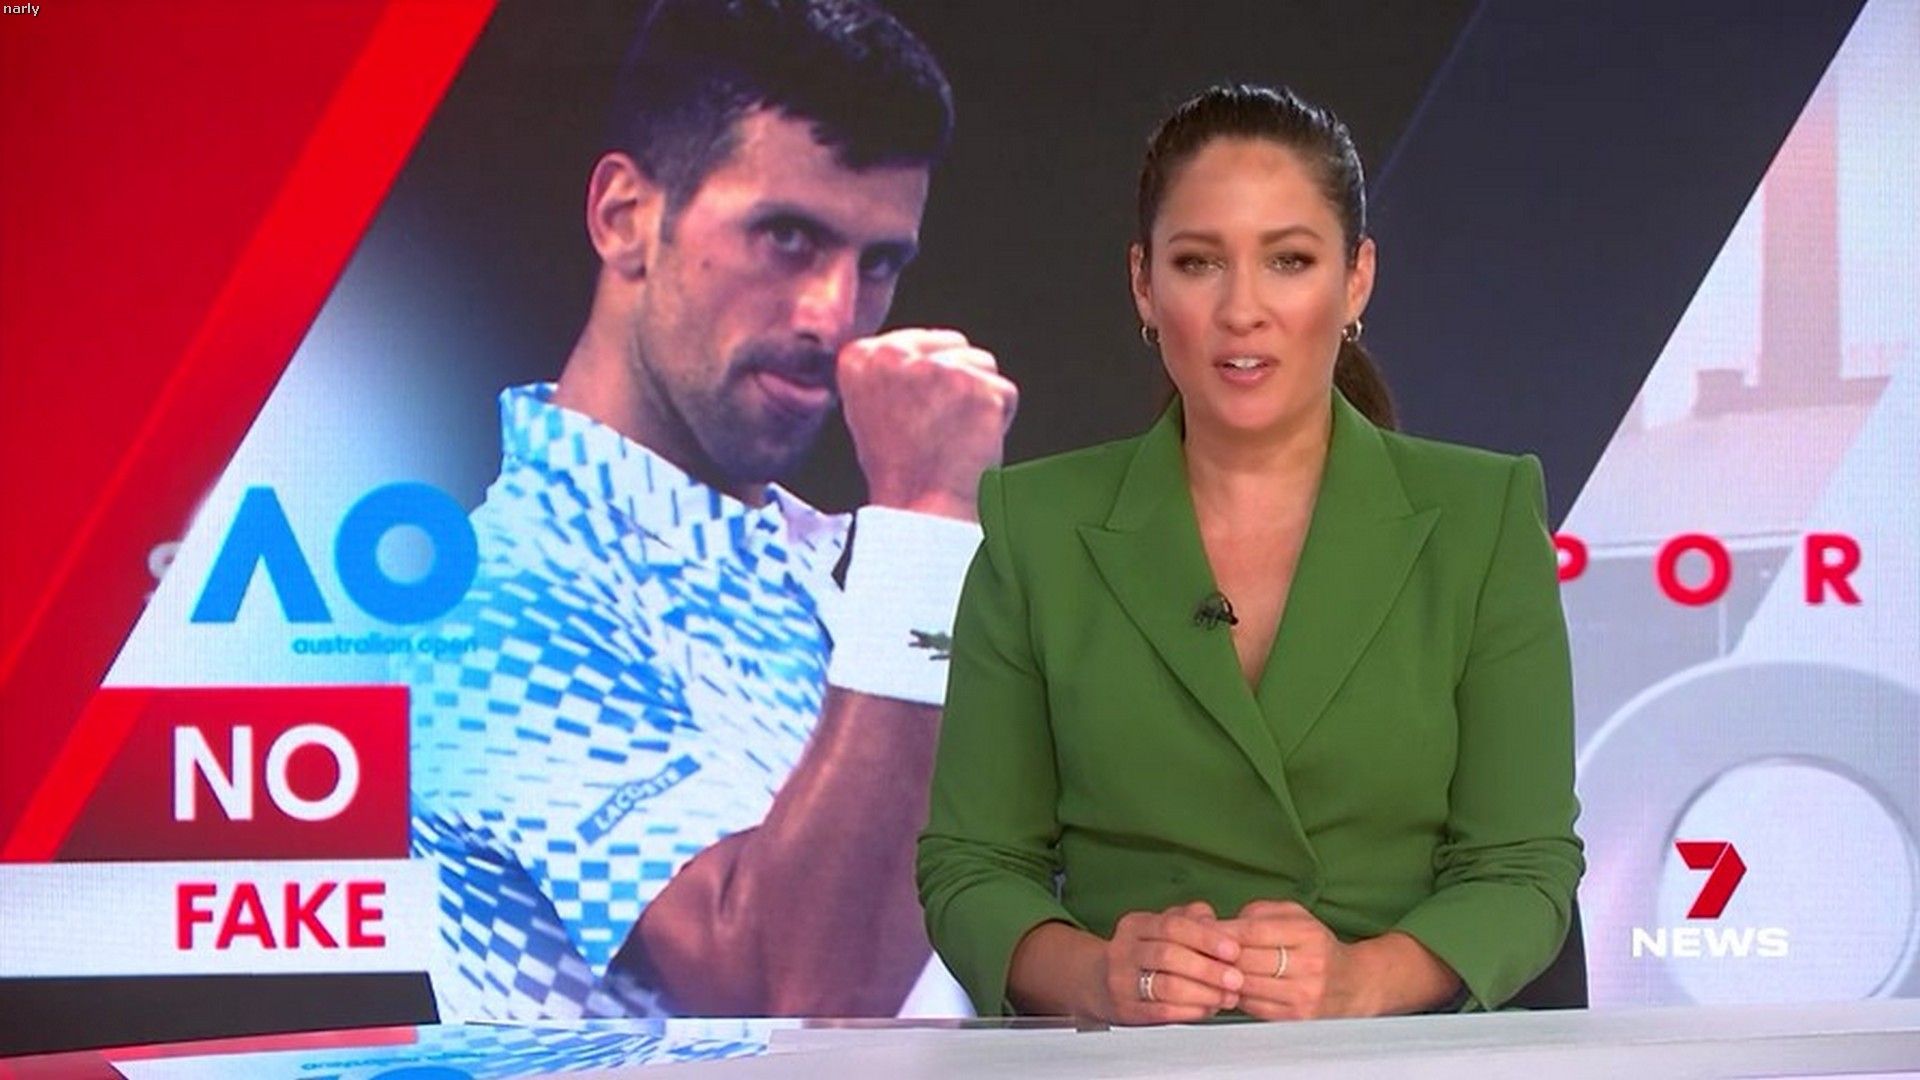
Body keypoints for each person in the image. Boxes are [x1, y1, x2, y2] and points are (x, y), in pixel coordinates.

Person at [917, 83, 1583, 1023]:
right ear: (1145, 284)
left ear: (1356, 279)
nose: (1243, 310)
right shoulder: (1037, 526)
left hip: (1393, 1058)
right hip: (1132, 1065)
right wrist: (1100, 976)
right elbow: (973, 868)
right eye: (1199, 263)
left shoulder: (1483, 515)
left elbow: (1522, 868)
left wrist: (1360, 982)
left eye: (1289, 261)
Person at [405, 0, 1017, 1020]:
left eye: (878, 262)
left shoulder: (843, 570)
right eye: (786, 237)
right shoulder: (491, 600)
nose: (833, 314)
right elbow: (797, 1003)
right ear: (624, 218)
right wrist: (927, 516)